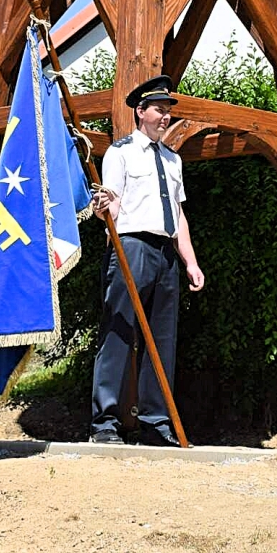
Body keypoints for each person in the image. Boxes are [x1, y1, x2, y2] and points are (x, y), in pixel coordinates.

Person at [90, 75, 205, 446]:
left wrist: (190, 261)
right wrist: (102, 211)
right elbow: (112, 204)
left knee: (163, 339)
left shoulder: (172, 160)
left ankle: (156, 424)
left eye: (168, 111)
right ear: (140, 112)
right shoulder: (119, 153)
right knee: (119, 332)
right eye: (159, 109)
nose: (165, 117)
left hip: (165, 254)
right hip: (131, 247)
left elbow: (178, 214)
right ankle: (105, 423)